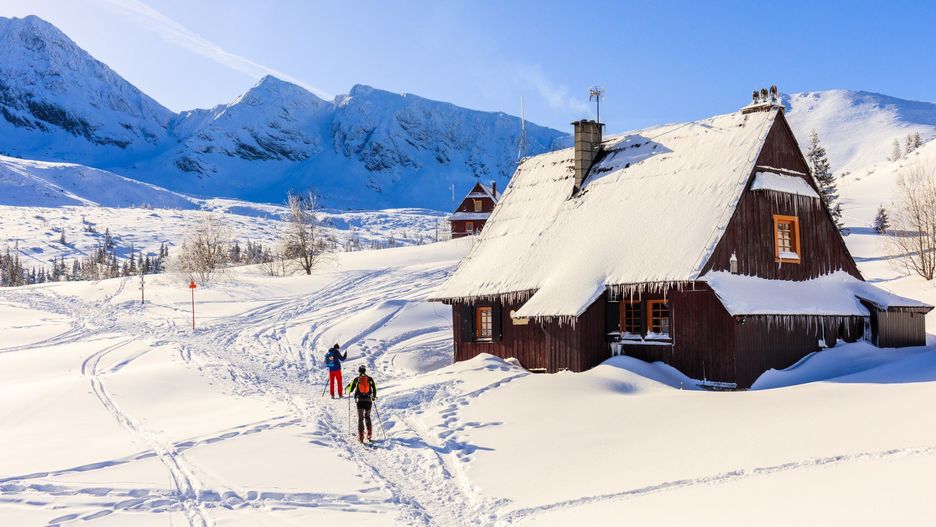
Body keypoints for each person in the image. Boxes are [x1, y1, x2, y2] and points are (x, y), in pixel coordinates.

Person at [347, 365, 378, 442]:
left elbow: (350, 390)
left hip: (360, 401)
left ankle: (361, 437)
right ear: (365, 370)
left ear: (359, 371)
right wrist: (373, 397)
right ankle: (369, 433)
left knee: (360, 419)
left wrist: (348, 387)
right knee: (367, 416)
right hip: (368, 401)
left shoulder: (357, 379)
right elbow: (374, 389)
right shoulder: (370, 379)